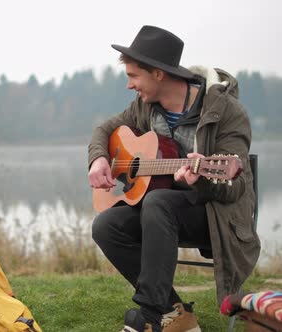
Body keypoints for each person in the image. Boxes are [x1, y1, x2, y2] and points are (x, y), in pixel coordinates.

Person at [88, 26, 259, 332]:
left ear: (158, 74)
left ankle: (152, 316)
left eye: (133, 76)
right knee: (105, 225)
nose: (129, 85)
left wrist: (201, 179)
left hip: (213, 216)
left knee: (157, 201)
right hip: (162, 214)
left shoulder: (226, 112)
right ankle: (175, 314)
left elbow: (236, 186)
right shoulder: (144, 107)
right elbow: (104, 130)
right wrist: (99, 158)